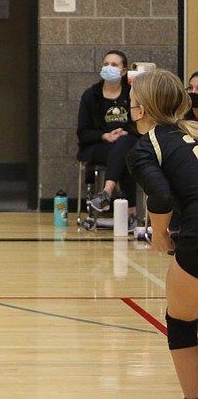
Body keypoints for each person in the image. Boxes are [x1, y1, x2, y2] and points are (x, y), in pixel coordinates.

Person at [126, 69, 198, 399]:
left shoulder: (146, 146)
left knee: (182, 321)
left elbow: (161, 196)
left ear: (139, 109)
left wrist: (159, 234)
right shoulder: (191, 134)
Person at [77, 49, 139, 221]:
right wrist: (105, 135)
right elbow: (83, 133)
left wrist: (125, 131)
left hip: (128, 141)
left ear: (123, 71)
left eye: (114, 64)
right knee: (126, 155)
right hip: (99, 145)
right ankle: (131, 212)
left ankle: (106, 193)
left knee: (125, 145)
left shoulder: (133, 93)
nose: (108, 67)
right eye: (106, 64)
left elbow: (140, 123)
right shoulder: (91, 95)